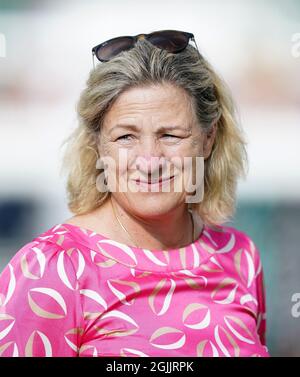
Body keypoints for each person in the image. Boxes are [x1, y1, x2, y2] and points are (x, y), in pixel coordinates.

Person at [0, 30, 269, 357]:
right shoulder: (51, 268)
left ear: (209, 137)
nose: (150, 160)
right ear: (98, 146)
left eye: (170, 135)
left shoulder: (239, 256)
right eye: (126, 137)